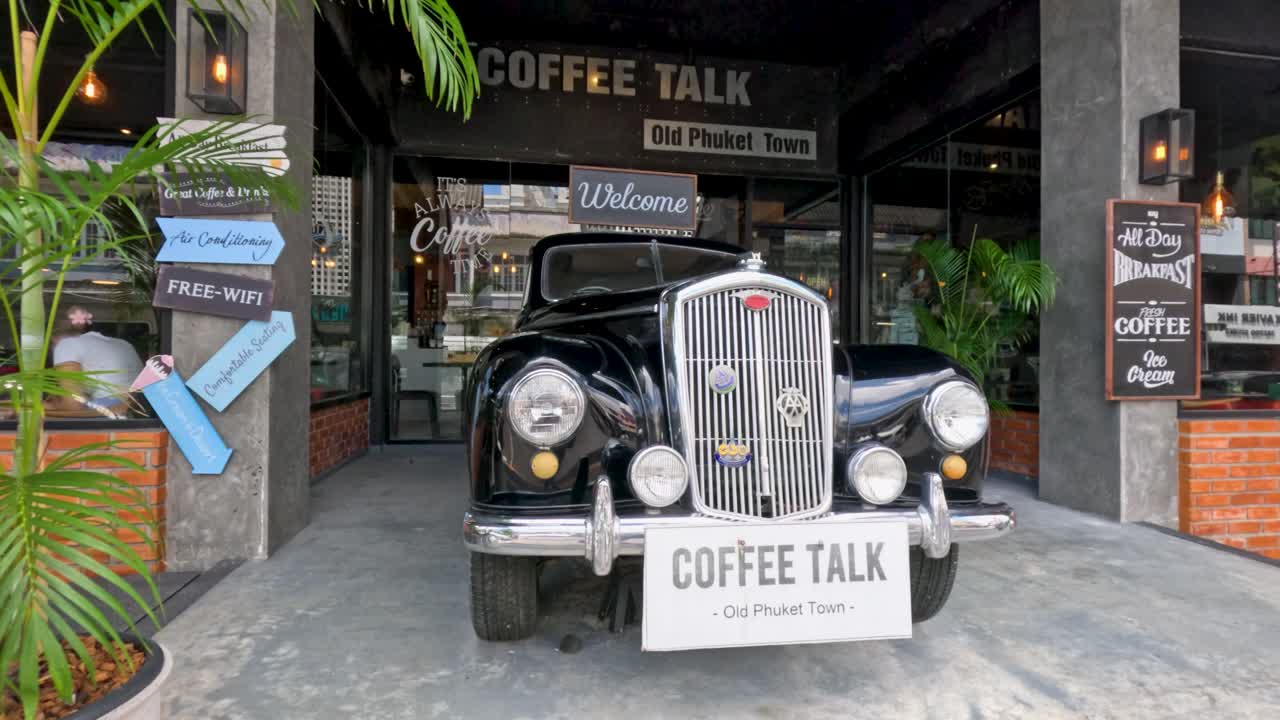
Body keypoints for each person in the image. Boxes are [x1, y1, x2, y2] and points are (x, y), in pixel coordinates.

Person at [47, 306, 144, 418]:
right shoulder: (124, 344)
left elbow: (73, 405)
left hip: (109, 411)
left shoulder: (65, 345)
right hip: (139, 409)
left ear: (53, 337)